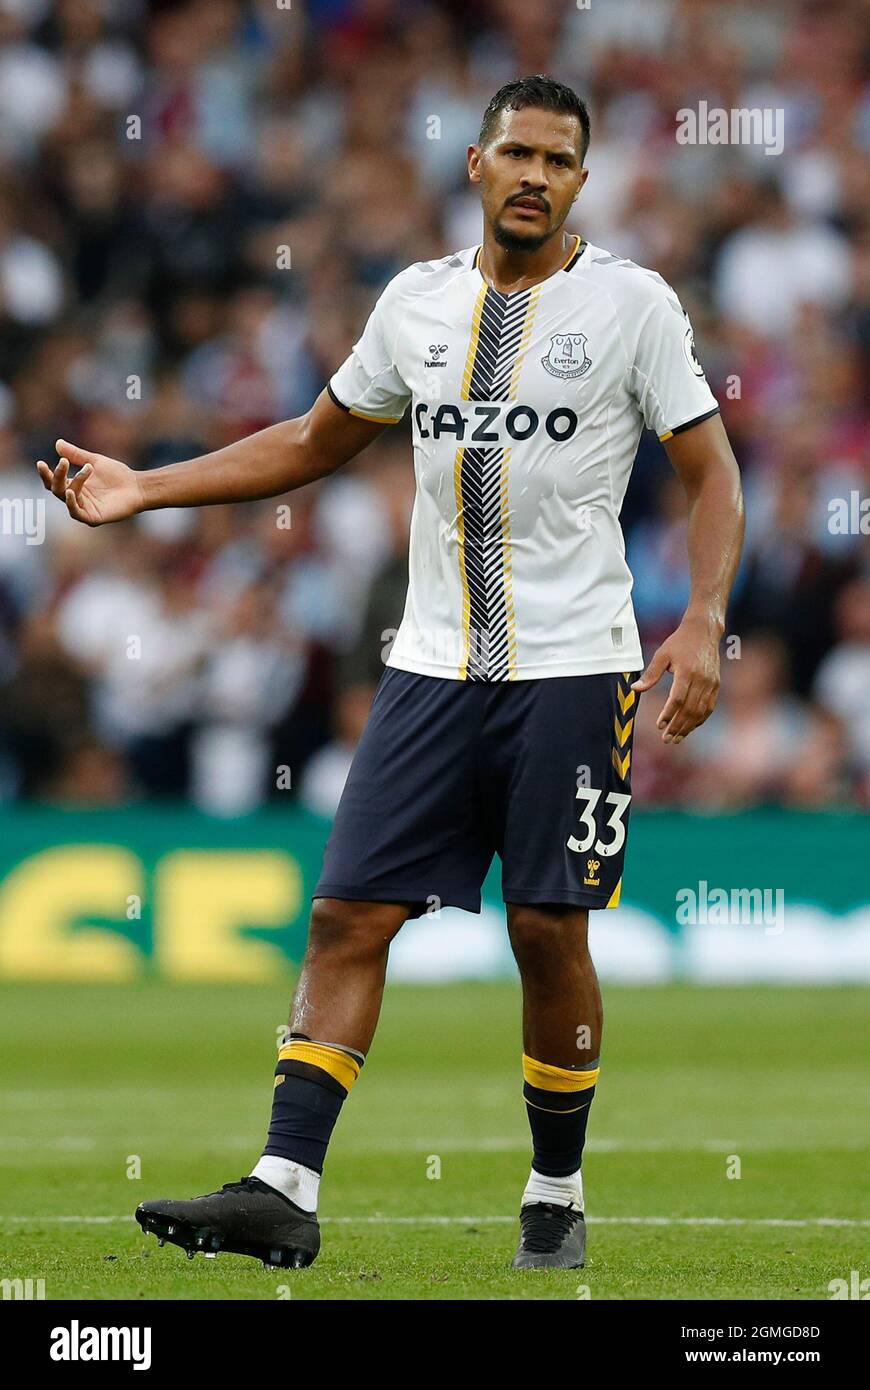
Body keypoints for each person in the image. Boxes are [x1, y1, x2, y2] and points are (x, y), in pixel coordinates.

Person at [36, 75, 744, 1271]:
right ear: (473, 164)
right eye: (514, 151)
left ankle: (557, 1190)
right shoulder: (415, 303)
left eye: (557, 160)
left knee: (544, 928)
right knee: (345, 914)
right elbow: (315, 441)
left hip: (575, 671)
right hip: (428, 669)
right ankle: (282, 1184)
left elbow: (712, 472)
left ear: (581, 181)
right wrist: (147, 486)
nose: (533, 174)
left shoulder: (633, 305)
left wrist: (703, 618)